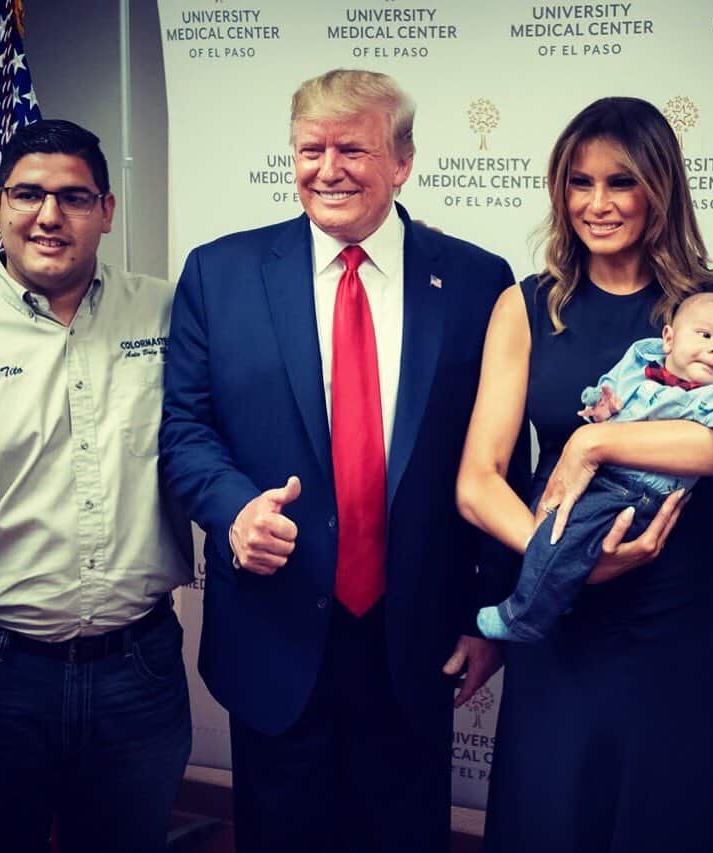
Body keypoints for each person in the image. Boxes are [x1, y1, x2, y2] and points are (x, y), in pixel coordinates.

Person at [159, 68, 519, 853]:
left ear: (403, 160)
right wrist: (232, 509)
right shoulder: (219, 275)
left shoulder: (477, 281)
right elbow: (184, 429)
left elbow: (502, 463)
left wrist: (490, 616)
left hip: (416, 641)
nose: (327, 169)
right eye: (309, 149)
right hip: (275, 635)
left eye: (352, 148)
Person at [456, 96, 713, 851]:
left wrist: (595, 445)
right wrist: (562, 557)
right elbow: (477, 478)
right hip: (561, 607)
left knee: (667, 807)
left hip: (675, 605)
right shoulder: (526, 305)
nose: (595, 204)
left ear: (659, 188)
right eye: (578, 182)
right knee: (554, 807)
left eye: (620, 182)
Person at [0, 120, 193, 852]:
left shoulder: (173, 316)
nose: (49, 216)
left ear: (106, 210)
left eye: (73, 197)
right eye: (29, 195)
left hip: (139, 672)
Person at [478, 290, 713, 642]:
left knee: (571, 531)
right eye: (705, 335)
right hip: (605, 480)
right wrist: (600, 406)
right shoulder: (641, 369)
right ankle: (558, 590)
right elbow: (610, 393)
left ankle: (522, 617)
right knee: (551, 518)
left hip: (640, 495)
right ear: (669, 339)